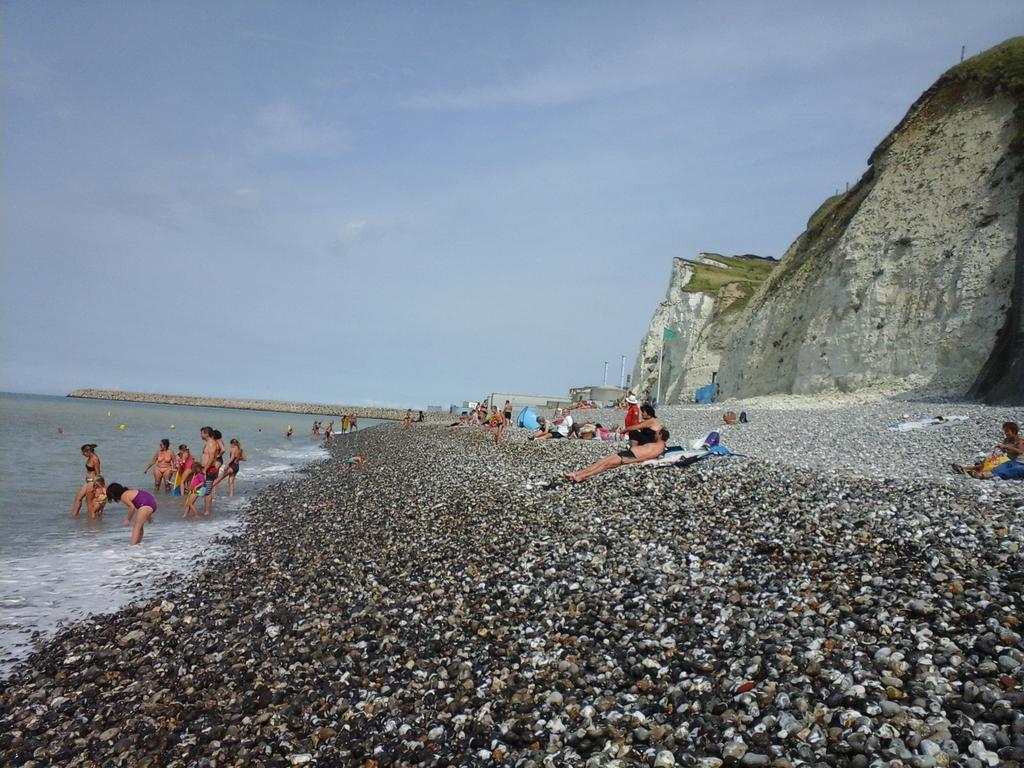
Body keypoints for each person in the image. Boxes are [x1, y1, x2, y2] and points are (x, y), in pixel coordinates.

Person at [565, 427, 670, 482]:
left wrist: (630, 461)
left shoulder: (659, 447)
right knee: (602, 461)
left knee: (606, 465)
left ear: (660, 434)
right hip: (629, 453)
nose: (655, 434)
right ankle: (577, 473)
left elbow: (648, 456)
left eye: (657, 433)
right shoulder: (657, 444)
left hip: (631, 456)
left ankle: (583, 476)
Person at [957, 422, 1024, 480]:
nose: (1005, 433)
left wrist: (1006, 447)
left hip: (1020, 463)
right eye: (1005, 431)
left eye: (1007, 431)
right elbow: (1004, 452)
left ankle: (980, 474)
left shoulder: (1020, 441)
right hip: (1010, 461)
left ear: (1014, 431)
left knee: (1013, 469)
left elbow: (1020, 451)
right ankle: (965, 469)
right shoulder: (1006, 440)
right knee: (991, 463)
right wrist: (1001, 449)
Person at [71, 444, 102, 517]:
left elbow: (98, 473)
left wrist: (97, 486)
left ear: (88, 451)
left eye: (83, 453)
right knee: (78, 498)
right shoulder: (90, 457)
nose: (83, 454)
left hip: (92, 482)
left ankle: (92, 519)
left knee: (89, 502)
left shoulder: (95, 459)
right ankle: (74, 516)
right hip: (88, 482)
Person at [199, 426, 218, 516]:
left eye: (202, 433)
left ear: (206, 434)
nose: (200, 435)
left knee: (207, 492)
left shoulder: (211, 443)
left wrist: (205, 470)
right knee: (205, 491)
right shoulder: (208, 443)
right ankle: (206, 510)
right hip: (206, 469)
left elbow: (211, 458)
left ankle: (207, 512)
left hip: (209, 470)